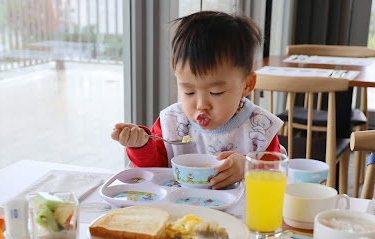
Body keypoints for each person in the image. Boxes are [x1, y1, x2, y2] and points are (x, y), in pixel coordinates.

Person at [110, 11, 284, 190]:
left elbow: (277, 177)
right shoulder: (172, 121)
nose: (201, 105)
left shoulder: (259, 127)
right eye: (189, 92)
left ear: (247, 85)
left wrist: (250, 167)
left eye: (216, 92)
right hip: (180, 213)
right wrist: (141, 145)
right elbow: (154, 171)